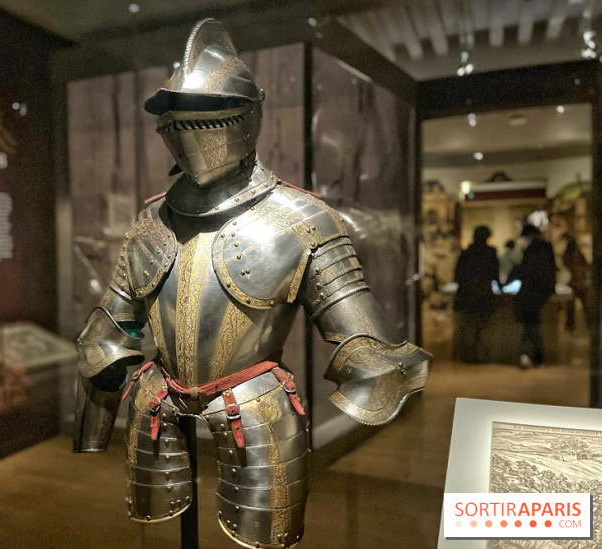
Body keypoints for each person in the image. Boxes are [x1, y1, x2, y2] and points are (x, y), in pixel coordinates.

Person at [71, 19, 430, 549]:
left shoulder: (301, 218)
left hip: (256, 411)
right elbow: (107, 332)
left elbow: (367, 345)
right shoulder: (151, 220)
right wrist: (94, 427)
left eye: (204, 116)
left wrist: (369, 377)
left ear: (245, 116)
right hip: (158, 406)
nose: (187, 130)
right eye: (176, 119)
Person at [506, 224, 557, 368]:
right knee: (533, 323)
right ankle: (534, 355)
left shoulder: (532, 249)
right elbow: (552, 269)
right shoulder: (546, 248)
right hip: (542, 290)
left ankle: (529, 355)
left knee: (531, 324)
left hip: (532, 290)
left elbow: (525, 269)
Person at [452, 226, 500, 363]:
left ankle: (467, 356)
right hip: (484, 295)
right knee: (482, 328)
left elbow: (457, 276)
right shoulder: (490, 253)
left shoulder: (466, 254)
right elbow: (494, 275)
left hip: (466, 295)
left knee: (468, 327)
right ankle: (481, 356)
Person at [562, 233, 591, 332]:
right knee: (571, 308)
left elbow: (585, 266)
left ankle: (587, 326)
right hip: (574, 284)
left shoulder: (577, 255)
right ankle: (571, 326)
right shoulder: (570, 255)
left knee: (585, 307)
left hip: (578, 284)